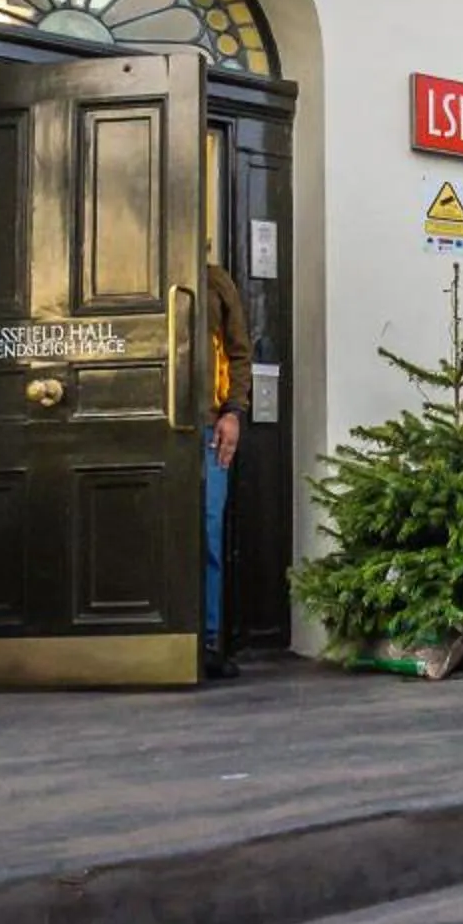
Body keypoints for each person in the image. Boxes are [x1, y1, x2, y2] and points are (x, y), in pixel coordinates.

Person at [203, 260, 253, 679]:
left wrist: (233, 411)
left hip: (207, 426)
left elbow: (238, 352)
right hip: (148, 425)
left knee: (208, 530)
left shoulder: (215, 281)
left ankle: (208, 640)